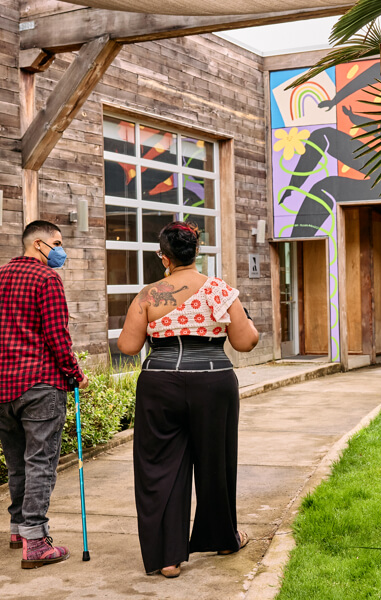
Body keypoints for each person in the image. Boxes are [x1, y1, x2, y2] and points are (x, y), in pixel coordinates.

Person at [117, 221, 259, 578]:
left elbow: (128, 346)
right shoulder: (220, 291)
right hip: (213, 382)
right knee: (216, 464)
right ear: (197, 251)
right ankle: (225, 539)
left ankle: (168, 558)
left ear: (162, 257)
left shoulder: (149, 295)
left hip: (160, 383)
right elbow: (245, 342)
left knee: (160, 467)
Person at [0, 219, 89, 570]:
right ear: (39, 245)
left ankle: (18, 528)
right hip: (40, 384)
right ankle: (35, 541)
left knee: (18, 462)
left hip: (0, 386)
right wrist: (75, 375)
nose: (61, 251)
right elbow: (57, 336)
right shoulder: (47, 279)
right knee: (40, 462)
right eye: (57, 243)